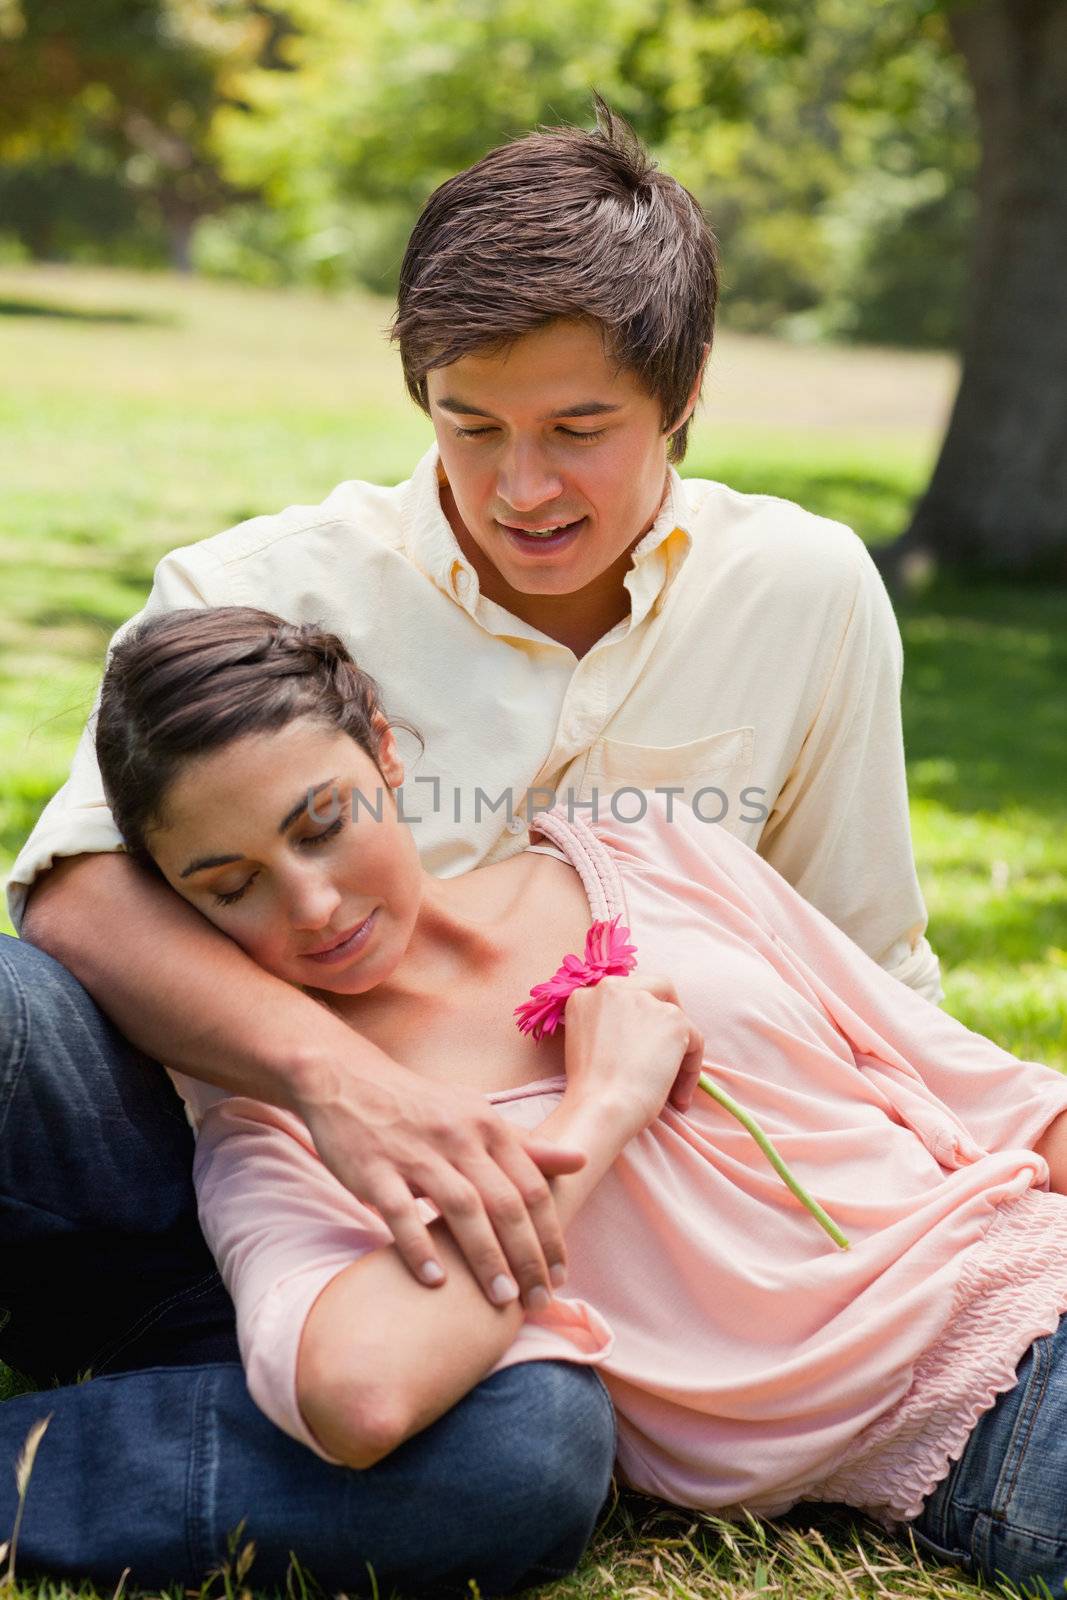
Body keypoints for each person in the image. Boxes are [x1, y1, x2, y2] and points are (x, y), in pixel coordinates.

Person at [1, 103, 942, 1588]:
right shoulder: (254, 585)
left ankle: (88, 1455)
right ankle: (186, 1366)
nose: (520, 489)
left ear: (684, 392)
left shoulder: (802, 595)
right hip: (207, 1190)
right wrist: (338, 1081)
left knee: (523, 1464)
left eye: (579, 431)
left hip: (480, 1287)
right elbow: (78, 899)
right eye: (469, 423)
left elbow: (861, 961)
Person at [13, 601, 1067, 1599]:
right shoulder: (280, 1129)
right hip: (998, 1425)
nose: (314, 903)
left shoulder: (645, 851)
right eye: (230, 886)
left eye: (323, 823)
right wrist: (597, 1109)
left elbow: (997, 1097)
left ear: (383, 748)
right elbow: (362, 1396)